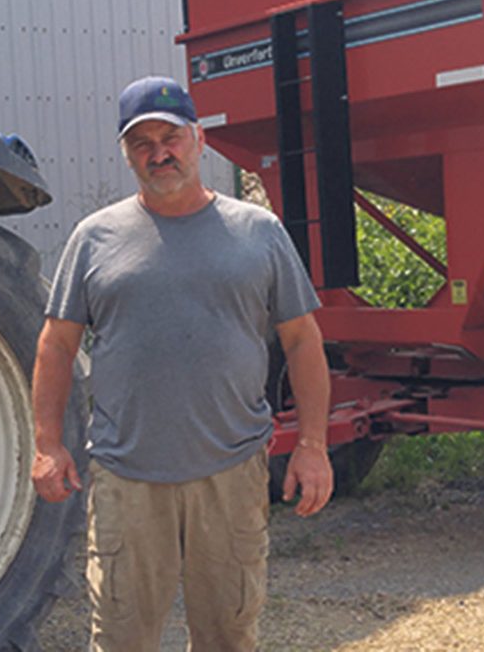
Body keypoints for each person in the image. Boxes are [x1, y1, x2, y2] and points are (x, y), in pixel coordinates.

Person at [30, 76, 334, 651]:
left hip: (231, 473)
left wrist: (313, 446)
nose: (158, 153)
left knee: (227, 635)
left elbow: (302, 341)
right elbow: (56, 345)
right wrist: (47, 443)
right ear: (126, 155)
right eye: (141, 144)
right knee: (122, 639)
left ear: (198, 139)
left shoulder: (258, 234)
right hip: (128, 480)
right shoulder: (94, 239)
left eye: (169, 137)